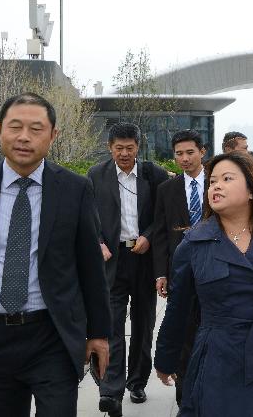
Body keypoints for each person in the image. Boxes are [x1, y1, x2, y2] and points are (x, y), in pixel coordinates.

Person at [0, 92, 111, 416]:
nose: (24, 137)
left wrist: (98, 332)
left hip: (51, 336)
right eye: (15, 127)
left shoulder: (75, 189)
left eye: (36, 128)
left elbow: (90, 266)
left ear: (53, 135)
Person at [154, 152, 253, 416]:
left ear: (252, 190)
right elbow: (178, 309)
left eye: (227, 179)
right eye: (212, 181)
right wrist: (165, 358)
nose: (216, 186)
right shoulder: (194, 243)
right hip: (215, 359)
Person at [88, 123, 169, 415]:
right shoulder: (97, 175)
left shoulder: (154, 174)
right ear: (110, 147)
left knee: (143, 325)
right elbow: (87, 216)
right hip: (112, 261)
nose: (124, 153)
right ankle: (111, 390)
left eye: (130, 148)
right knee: (111, 325)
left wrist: (148, 235)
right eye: (119, 148)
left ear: (138, 146)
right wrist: (98, 242)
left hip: (144, 259)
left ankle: (137, 382)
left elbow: (164, 213)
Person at [152, 129, 207, 406]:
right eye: (179, 154)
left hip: (216, 272)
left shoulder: (220, 183)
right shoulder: (167, 189)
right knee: (184, 337)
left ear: (202, 152)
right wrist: (161, 272)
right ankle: (185, 399)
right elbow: (161, 233)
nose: (184, 159)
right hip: (180, 274)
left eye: (189, 152)